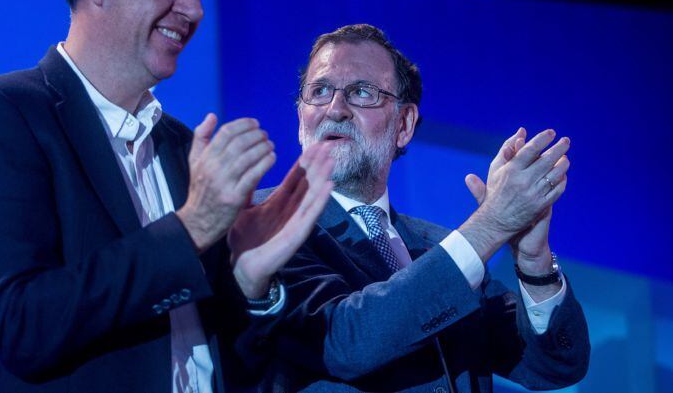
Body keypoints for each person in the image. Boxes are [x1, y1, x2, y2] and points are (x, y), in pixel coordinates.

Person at [0, 0, 333, 393]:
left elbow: (219, 350)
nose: (193, 8)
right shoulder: (6, 114)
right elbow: (22, 327)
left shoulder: (183, 147)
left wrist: (251, 284)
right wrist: (190, 229)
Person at [247, 24, 590, 393]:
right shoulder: (262, 221)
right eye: (319, 91)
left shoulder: (435, 246)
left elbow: (555, 364)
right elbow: (344, 341)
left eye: (361, 92)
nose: (335, 108)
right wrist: (491, 225)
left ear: (404, 124)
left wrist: (533, 260)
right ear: (301, 115)